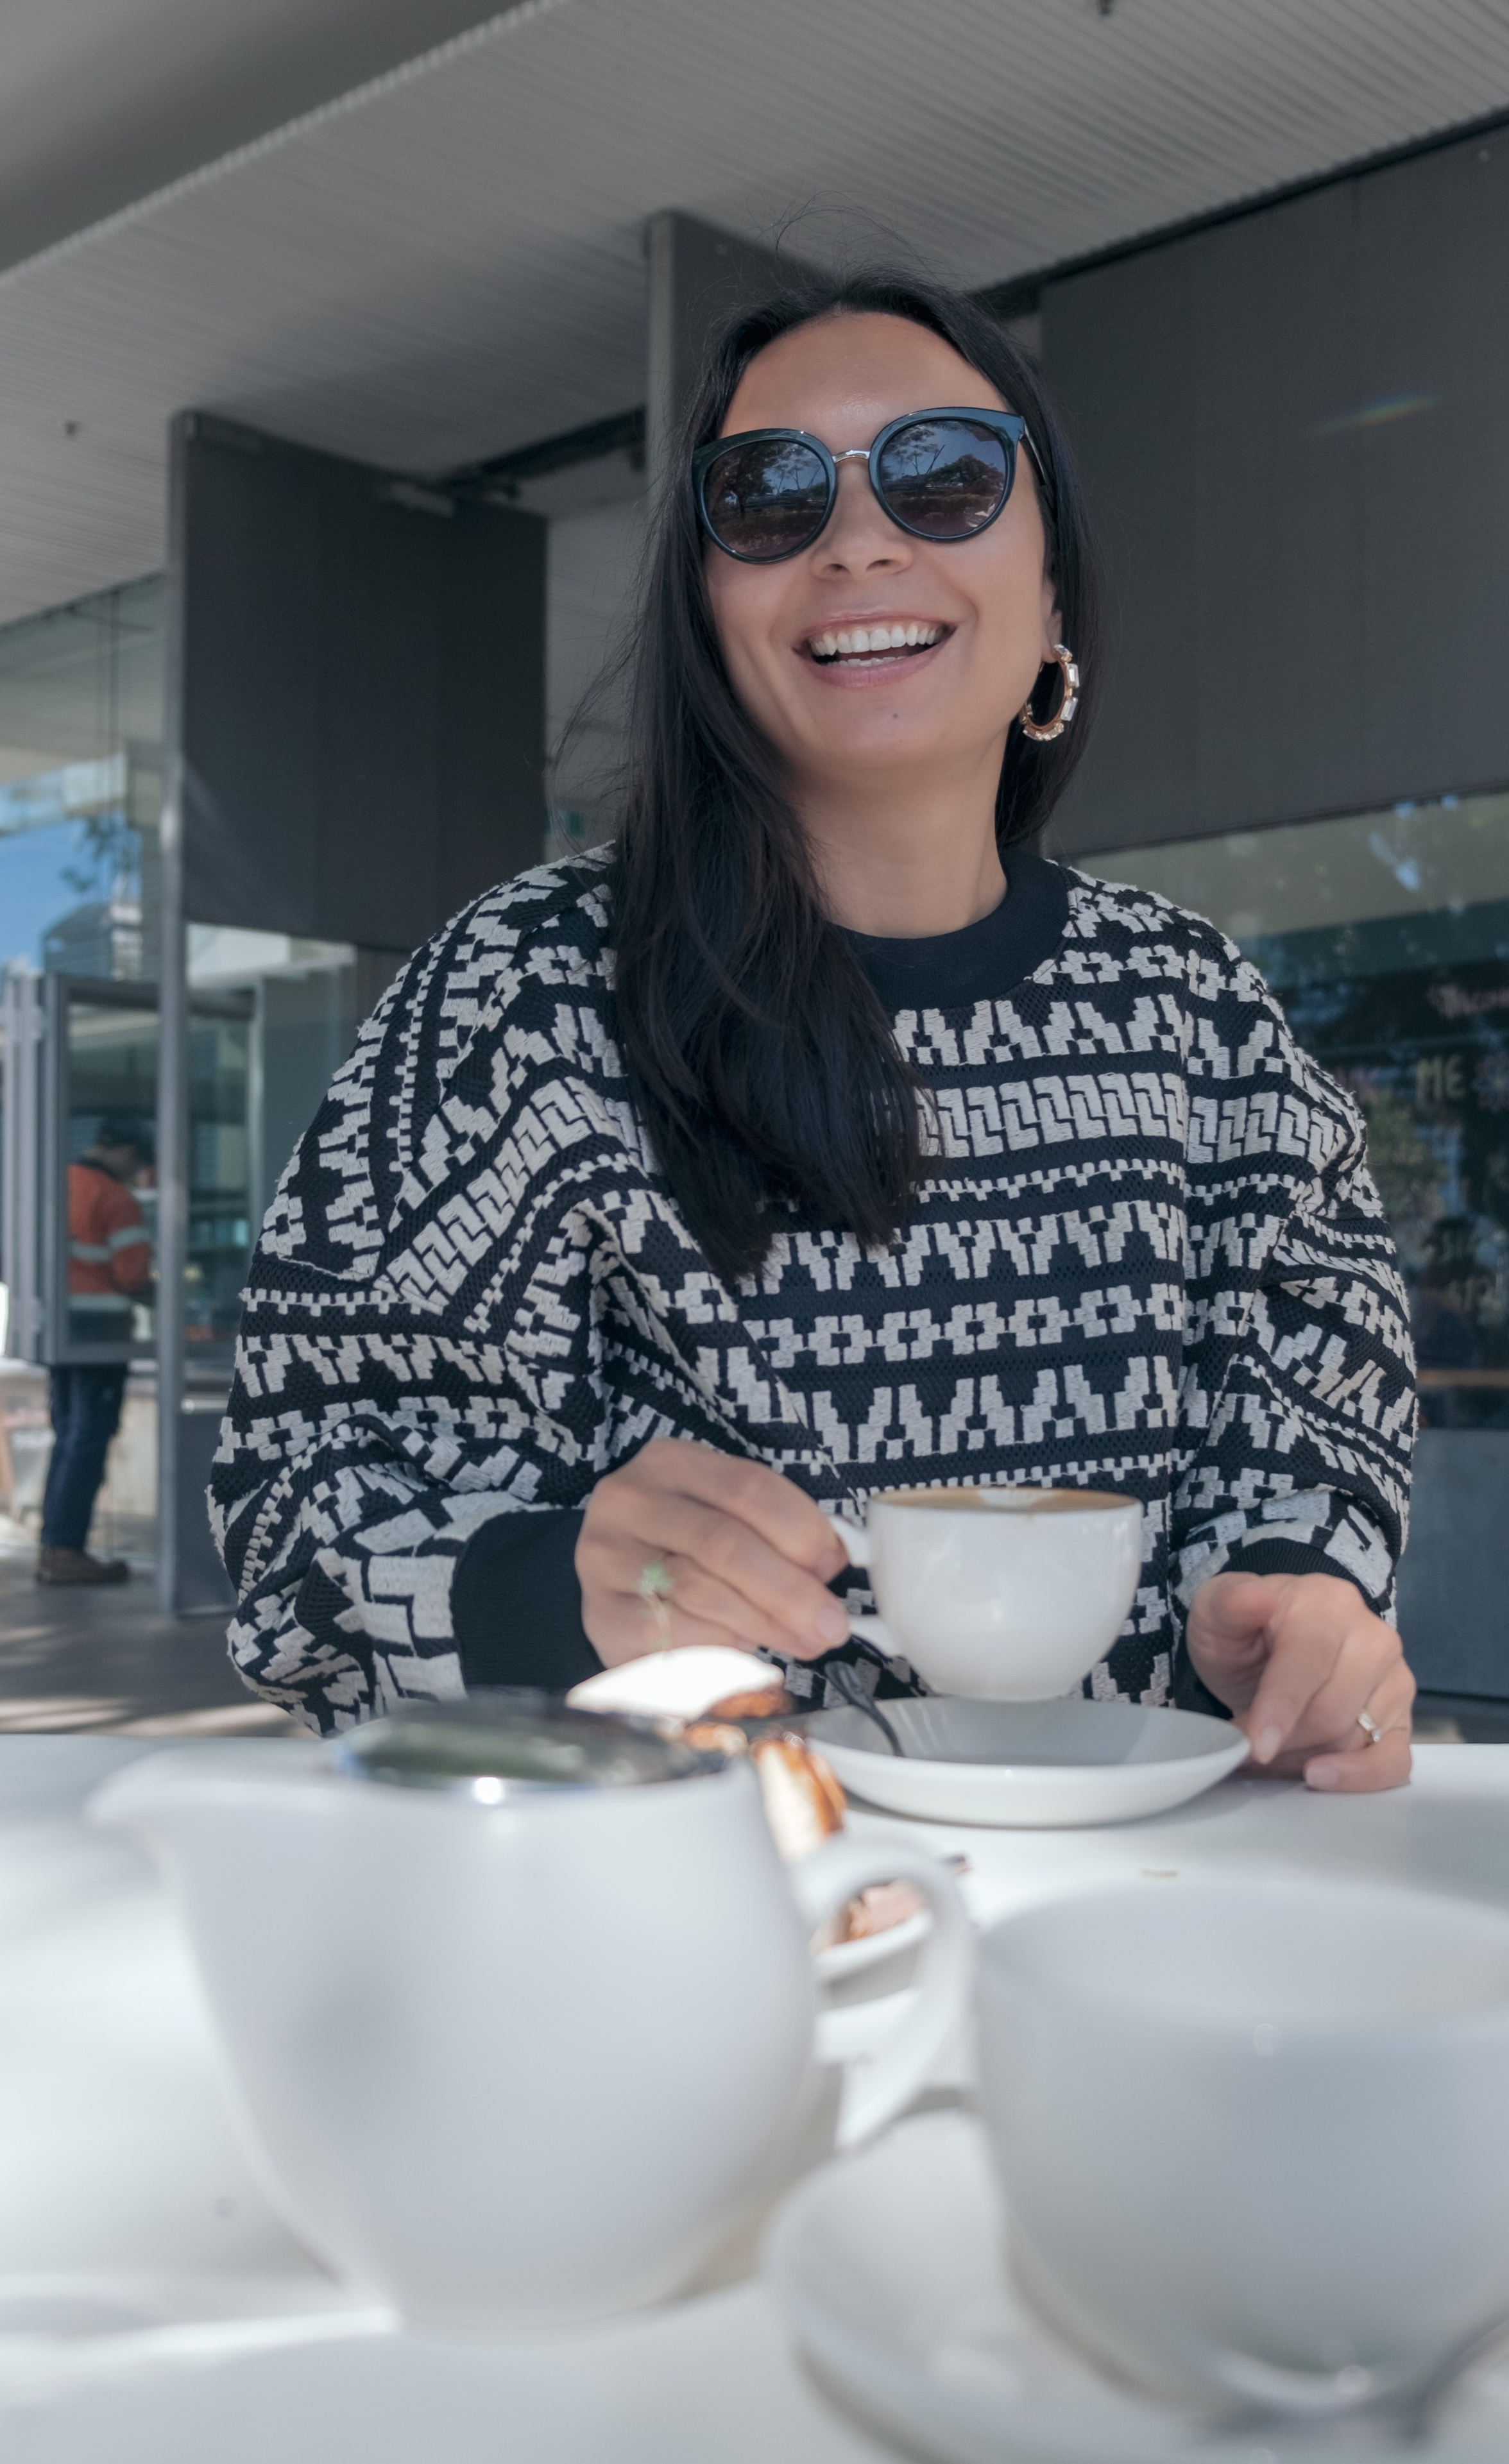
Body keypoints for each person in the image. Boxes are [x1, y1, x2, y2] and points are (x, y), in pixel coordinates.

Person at [212, 269, 1419, 1789]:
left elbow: (1321, 1410)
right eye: (767, 497)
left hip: (1137, 1899)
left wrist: (1302, 1607)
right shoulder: (521, 995)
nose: (857, 539)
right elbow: (288, 1505)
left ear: (1053, 589)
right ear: (704, 615)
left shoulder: (1201, 1016)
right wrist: (555, 1583)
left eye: (945, 476)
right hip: (673, 1911)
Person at [37, 1115, 153, 1586]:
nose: (138, 1173)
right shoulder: (116, 1198)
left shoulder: (56, 1183)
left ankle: (56, 1546)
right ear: (125, 1152)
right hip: (101, 1332)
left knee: (69, 1437)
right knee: (88, 1438)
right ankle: (67, 1549)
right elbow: (133, 1275)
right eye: (139, 1163)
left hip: (58, 1331)